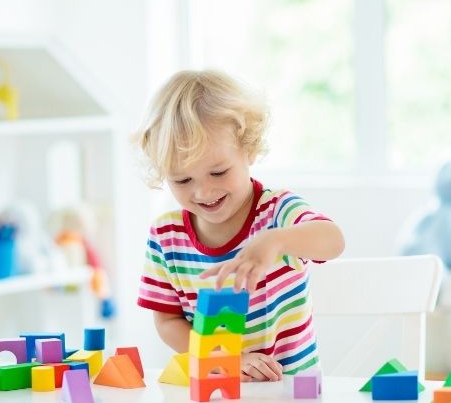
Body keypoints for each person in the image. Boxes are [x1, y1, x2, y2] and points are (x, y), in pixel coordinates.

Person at [133, 70, 345, 382]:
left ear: (249, 149)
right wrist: (225, 358)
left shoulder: (277, 213)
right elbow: (167, 321)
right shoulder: (166, 236)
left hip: (292, 394)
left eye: (218, 172)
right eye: (182, 180)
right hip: (217, 392)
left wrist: (275, 241)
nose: (203, 191)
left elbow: (333, 240)